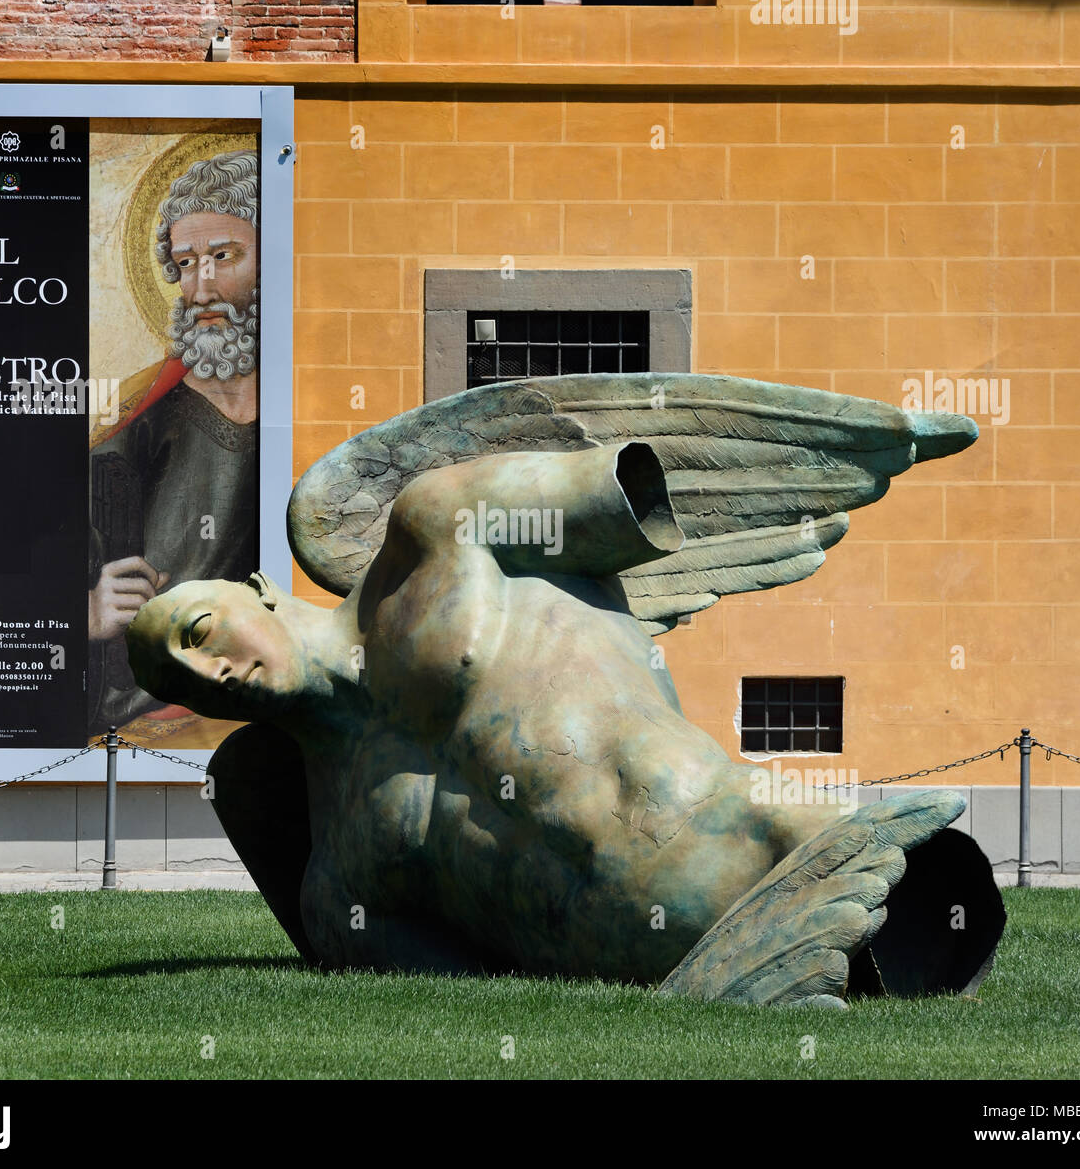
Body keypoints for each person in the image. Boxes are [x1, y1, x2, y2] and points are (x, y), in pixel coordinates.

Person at [125, 443, 1005, 1000]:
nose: (213, 670)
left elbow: (637, 495)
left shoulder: (440, 532)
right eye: (187, 682)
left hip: (792, 838)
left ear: (257, 593)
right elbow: (467, 999)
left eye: (199, 632)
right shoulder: (336, 882)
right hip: (698, 979)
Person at [88, 149, 260, 733]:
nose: (201, 287)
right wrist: (88, 607)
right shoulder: (137, 424)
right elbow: (40, 551)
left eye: (223, 257)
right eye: (186, 264)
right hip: (153, 715)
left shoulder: (305, 400)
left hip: (261, 698)